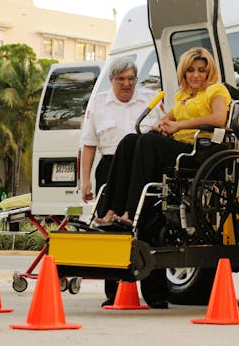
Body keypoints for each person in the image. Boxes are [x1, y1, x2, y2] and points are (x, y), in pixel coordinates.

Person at [95, 47, 231, 308]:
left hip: (196, 152)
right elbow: (165, 120)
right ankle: (112, 209)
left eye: (201, 70)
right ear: (184, 72)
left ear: (208, 72)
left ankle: (131, 211)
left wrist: (178, 125)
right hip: (175, 149)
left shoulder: (216, 91)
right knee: (130, 141)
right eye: (191, 70)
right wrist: (163, 124)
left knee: (147, 143)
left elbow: (219, 118)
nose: (196, 75)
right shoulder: (181, 97)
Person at [77, 57, 163, 305]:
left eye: (131, 79)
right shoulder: (99, 103)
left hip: (144, 170)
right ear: (112, 80)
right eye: (121, 79)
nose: (127, 84)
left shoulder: (151, 99)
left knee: (149, 228)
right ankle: (114, 295)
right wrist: (85, 181)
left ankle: (155, 295)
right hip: (111, 166)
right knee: (113, 231)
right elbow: (89, 144)